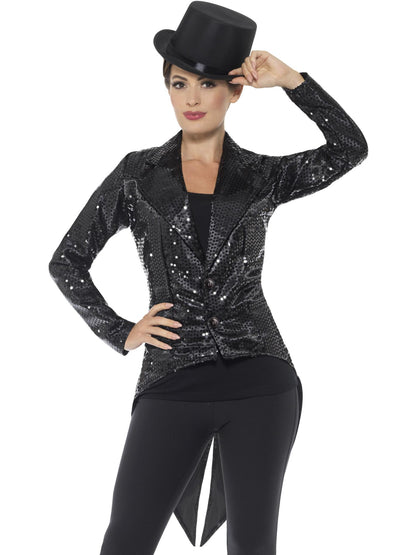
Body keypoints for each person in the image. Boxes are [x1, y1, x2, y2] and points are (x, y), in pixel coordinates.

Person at [48, 2, 368, 554]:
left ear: (234, 91)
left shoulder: (262, 175)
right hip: (171, 378)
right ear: (167, 88)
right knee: (125, 540)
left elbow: (350, 149)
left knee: (252, 546)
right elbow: (68, 260)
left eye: (208, 84)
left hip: (262, 381)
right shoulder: (137, 174)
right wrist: (121, 330)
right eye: (179, 83)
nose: (191, 98)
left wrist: (292, 80)